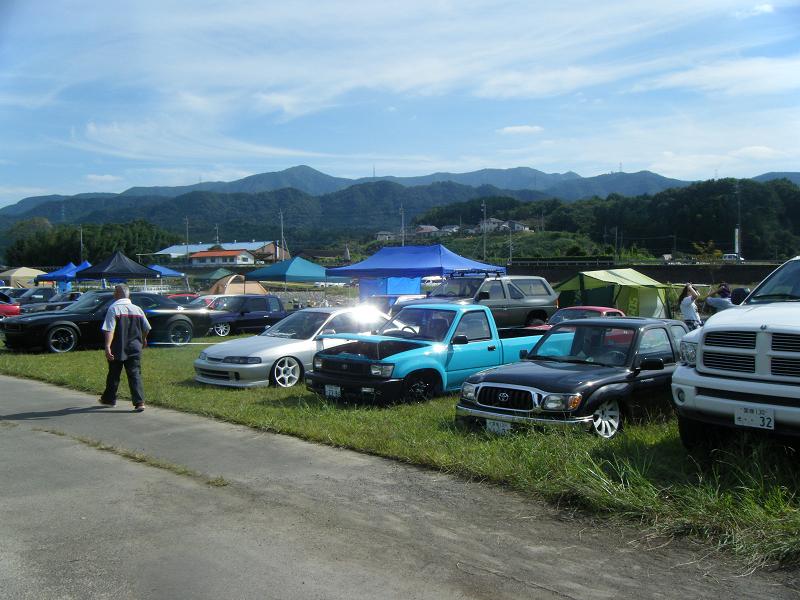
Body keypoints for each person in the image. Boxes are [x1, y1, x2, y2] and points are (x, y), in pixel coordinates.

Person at [99, 284, 151, 412]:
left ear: (117, 294)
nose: (113, 294)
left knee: (114, 374)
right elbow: (147, 328)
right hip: (135, 347)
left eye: (114, 292)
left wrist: (107, 346)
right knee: (135, 374)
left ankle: (109, 400)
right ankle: (139, 402)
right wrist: (143, 338)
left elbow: (110, 329)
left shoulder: (114, 308)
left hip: (118, 346)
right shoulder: (137, 309)